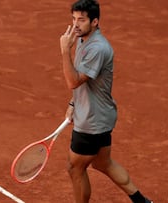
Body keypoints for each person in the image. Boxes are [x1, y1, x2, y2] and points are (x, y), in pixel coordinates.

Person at [59, 0, 153, 202]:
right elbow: (83, 82)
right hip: (99, 116)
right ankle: (142, 201)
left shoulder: (98, 48)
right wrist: (73, 103)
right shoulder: (84, 40)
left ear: (95, 22)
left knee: (75, 168)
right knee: (103, 163)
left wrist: (65, 51)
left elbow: (73, 81)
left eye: (81, 20)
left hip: (91, 121)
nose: (76, 24)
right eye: (74, 19)